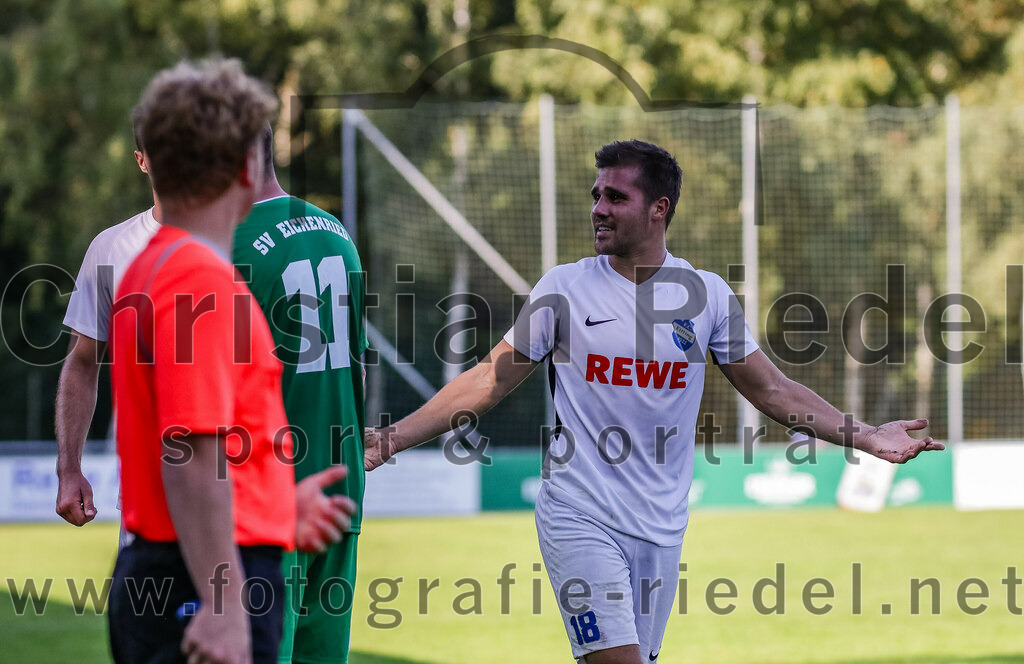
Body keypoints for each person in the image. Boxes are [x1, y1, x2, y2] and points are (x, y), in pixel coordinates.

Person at [364, 140, 945, 664]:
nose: (597, 208)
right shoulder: (563, 289)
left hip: (662, 528)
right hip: (578, 512)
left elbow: (771, 389)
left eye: (615, 196)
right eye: (596, 195)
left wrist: (865, 435)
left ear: (658, 209)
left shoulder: (707, 296)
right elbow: (488, 380)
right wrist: (392, 438)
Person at [107, 59, 355, 664]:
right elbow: (192, 451)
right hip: (205, 580)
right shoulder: (200, 280)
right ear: (248, 165)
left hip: (182, 564)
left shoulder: (152, 265)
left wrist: (271, 503)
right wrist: (223, 603)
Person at [232, 124, 368, 664]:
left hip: (273, 491)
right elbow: (356, 364)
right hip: (341, 479)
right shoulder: (336, 231)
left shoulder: (231, 243)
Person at [55, 118, 161, 531]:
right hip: (145, 495)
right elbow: (83, 362)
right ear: (141, 161)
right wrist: (69, 468)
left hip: (239, 490)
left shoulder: (244, 241)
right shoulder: (112, 247)